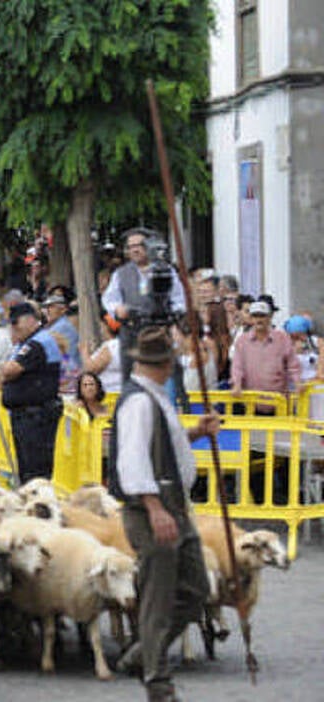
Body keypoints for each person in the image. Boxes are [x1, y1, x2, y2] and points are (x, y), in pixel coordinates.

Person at [110, 327, 219, 702]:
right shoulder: (139, 402)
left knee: (195, 590)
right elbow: (133, 458)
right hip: (152, 508)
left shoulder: (155, 397)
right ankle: (158, 681)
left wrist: (193, 433)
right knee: (158, 596)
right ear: (164, 364)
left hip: (173, 504)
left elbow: (163, 446)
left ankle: (141, 656)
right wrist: (154, 507)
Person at [101, 228, 186, 382]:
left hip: (159, 331)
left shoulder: (166, 271)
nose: (135, 250)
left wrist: (172, 318)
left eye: (139, 245)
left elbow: (179, 300)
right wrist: (117, 309)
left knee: (166, 377)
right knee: (130, 378)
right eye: (131, 246)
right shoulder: (121, 274)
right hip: (132, 330)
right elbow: (109, 299)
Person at [0, 302, 63, 483]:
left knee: (35, 473)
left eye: (16, 323)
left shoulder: (37, 343)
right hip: (26, 415)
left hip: (36, 415)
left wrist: (4, 372)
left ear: (30, 320)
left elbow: (9, 370)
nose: (13, 328)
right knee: (27, 470)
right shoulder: (26, 343)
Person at [230, 299, 299, 412]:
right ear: (251, 319)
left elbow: (293, 365)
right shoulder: (242, 341)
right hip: (251, 404)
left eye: (262, 316)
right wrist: (236, 384)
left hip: (279, 403)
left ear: (269, 317)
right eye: (255, 316)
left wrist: (297, 383)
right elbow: (237, 367)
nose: (259, 320)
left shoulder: (282, 339)